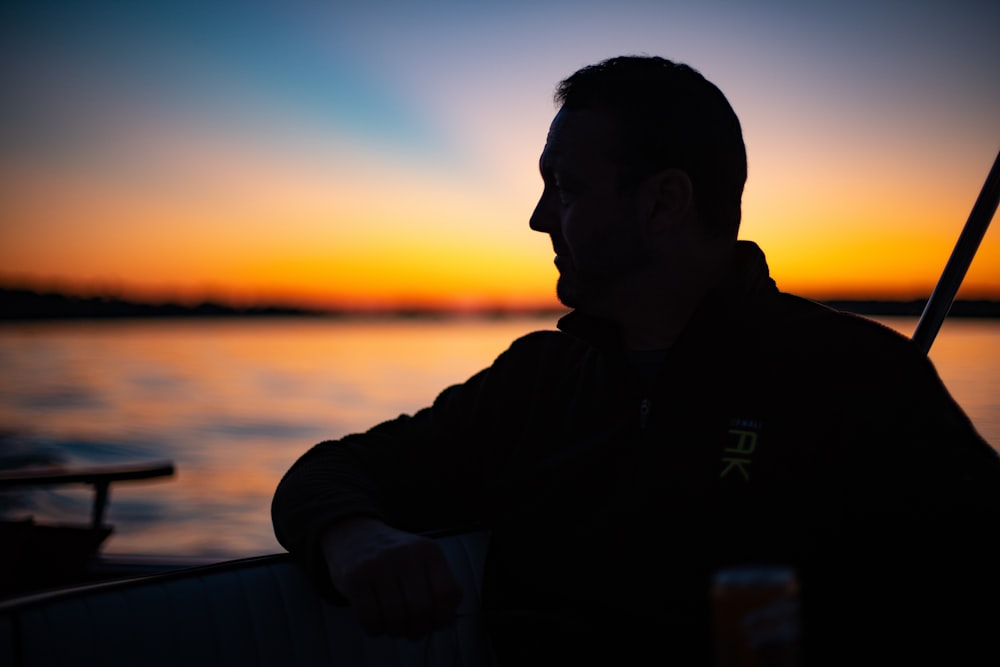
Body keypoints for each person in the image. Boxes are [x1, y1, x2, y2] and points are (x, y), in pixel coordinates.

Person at [272, 56, 1000, 665]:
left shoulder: (861, 382)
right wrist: (355, 536)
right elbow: (327, 474)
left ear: (663, 203)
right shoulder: (537, 384)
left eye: (567, 186)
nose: (538, 217)